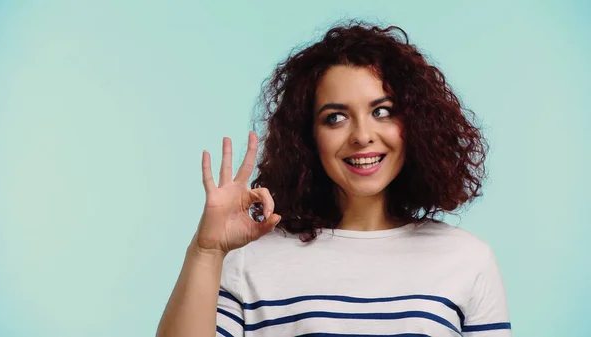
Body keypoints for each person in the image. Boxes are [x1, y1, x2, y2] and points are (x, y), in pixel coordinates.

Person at [156, 21, 512, 337]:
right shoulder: (251, 260)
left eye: (382, 111)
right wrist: (206, 251)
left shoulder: (466, 259)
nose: (362, 135)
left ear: (416, 124)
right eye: (335, 118)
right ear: (307, 137)